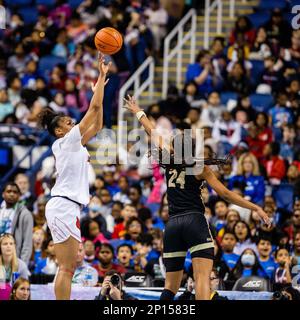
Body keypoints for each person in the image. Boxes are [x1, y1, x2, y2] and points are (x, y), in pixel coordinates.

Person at [123, 95, 270, 300]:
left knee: (170, 288)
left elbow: (152, 131)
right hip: (194, 221)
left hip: (172, 225)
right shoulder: (199, 167)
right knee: (202, 280)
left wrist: (138, 111)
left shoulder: (168, 160)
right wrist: (255, 208)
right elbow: (226, 195)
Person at [37, 54, 111, 300]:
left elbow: (98, 124)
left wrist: (99, 85)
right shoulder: (66, 141)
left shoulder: (74, 144)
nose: (73, 124)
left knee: (67, 268)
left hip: (67, 206)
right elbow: (94, 108)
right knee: (66, 268)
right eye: (69, 122)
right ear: (59, 131)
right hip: (63, 205)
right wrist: (100, 78)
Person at [0, 182, 33, 265]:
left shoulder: (25, 214)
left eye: (15, 192)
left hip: (14, 260)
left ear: (19, 196)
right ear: (3, 194)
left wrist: (23, 264)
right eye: (9, 191)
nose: (11, 194)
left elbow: (27, 243)